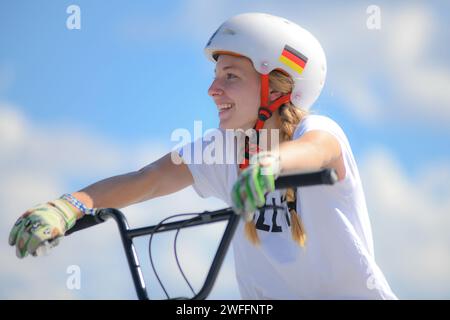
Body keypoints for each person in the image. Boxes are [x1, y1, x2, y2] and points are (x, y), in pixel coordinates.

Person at [8, 12, 397, 300]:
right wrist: (70, 205)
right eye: (215, 76)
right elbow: (146, 179)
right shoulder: (221, 149)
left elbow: (319, 152)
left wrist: (271, 164)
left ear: (276, 89)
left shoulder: (317, 132)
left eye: (231, 77)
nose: (213, 89)